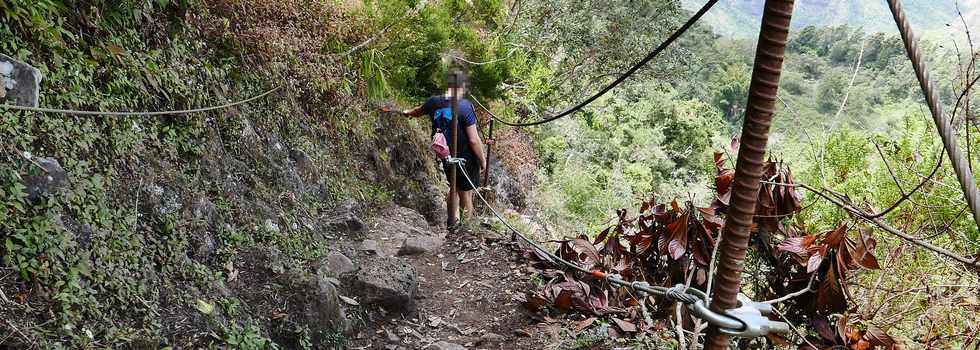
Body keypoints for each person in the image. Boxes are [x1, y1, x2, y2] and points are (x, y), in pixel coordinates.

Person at [399, 74, 487, 230]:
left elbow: (417, 111)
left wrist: (406, 112)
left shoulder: (433, 102)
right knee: (466, 193)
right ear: (462, 87)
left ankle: (452, 224)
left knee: (453, 187)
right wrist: (482, 160)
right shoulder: (465, 106)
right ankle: (466, 229)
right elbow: (473, 140)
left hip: (445, 153)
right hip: (465, 156)